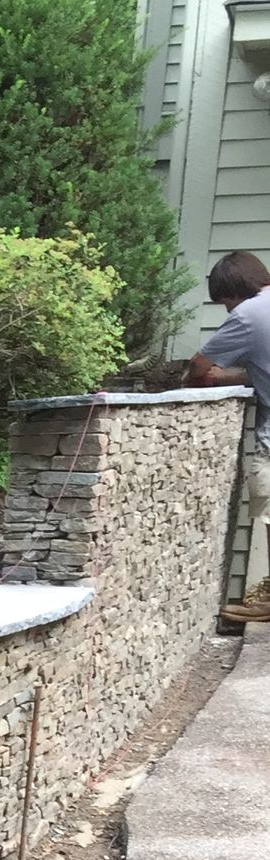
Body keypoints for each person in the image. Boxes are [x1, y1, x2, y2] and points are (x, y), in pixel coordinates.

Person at [188, 249, 270, 623]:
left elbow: (198, 365)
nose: (226, 309)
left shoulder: (248, 314)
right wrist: (232, 377)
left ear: (234, 291)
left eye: (224, 301)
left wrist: (193, 381)